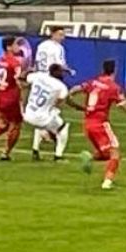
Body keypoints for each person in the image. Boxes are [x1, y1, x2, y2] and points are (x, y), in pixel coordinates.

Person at [74, 59, 126, 190]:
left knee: (105, 154)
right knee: (115, 153)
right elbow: (124, 108)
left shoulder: (93, 82)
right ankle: (107, 183)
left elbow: (74, 90)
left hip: (87, 124)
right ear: (115, 70)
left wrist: (74, 105)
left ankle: (90, 158)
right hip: (100, 124)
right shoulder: (113, 87)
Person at [31, 27, 70, 160]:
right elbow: (59, 65)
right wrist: (69, 70)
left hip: (40, 80)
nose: (62, 37)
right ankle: (57, 153)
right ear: (52, 34)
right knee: (52, 113)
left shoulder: (41, 45)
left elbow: (37, 64)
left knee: (42, 113)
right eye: (60, 34)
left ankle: (36, 148)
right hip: (51, 81)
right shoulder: (57, 48)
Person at [22, 63, 73, 161]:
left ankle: (35, 150)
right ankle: (58, 156)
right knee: (62, 128)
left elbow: (26, 77)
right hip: (41, 118)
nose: (62, 74)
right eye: (61, 72)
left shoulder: (39, 75)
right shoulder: (61, 86)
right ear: (56, 72)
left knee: (45, 121)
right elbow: (59, 101)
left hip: (28, 113)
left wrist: (29, 70)